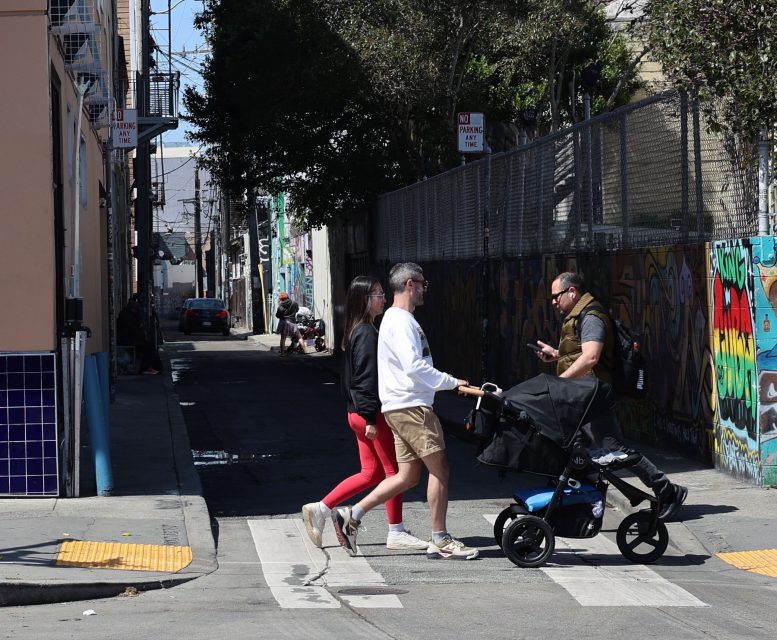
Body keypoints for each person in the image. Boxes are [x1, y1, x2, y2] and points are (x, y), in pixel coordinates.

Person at [331, 262, 479, 560]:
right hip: (412, 407)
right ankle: (441, 538)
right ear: (410, 284)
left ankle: (352, 514)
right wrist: (452, 383)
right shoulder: (401, 322)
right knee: (441, 470)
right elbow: (415, 366)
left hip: (400, 407)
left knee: (408, 476)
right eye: (423, 284)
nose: (425, 289)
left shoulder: (395, 320)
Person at [534, 271, 687, 521]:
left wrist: (559, 382)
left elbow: (591, 357)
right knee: (579, 452)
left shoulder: (591, 316)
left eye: (556, 296)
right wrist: (557, 355)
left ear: (572, 292)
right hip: (581, 397)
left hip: (593, 396)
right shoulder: (578, 315)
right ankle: (581, 507)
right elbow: (579, 354)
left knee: (615, 450)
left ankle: (667, 490)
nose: (553, 301)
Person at [300, 276, 428, 552]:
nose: (383, 298)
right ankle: (396, 531)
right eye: (378, 295)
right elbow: (366, 379)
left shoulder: (356, 330)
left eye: (382, 293)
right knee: (395, 472)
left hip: (355, 413)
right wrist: (371, 418)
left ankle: (321, 509)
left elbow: (352, 380)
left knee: (370, 473)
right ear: (364, 300)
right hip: (369, 414)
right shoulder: (368, 334)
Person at [116, 297, 162, 375]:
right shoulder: (126, 316)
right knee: (149, 348)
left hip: (132, 339)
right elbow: (133, 331)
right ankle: (147, 368)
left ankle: (154, 367)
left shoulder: (133, 315)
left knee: (150, 346)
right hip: (128, 341)